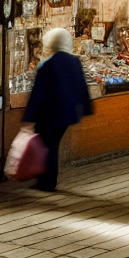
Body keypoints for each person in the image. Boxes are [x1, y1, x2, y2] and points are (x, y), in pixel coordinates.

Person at [22, 27, 93, 192]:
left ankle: (47, 182)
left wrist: (29, 116)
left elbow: (38, 92)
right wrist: (86, 108)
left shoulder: (47, 64)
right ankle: (46, 180)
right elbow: (82, 86)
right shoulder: (74, 61)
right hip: (68, 113)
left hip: (49, 114)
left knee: (49, 146)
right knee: (52, 145)